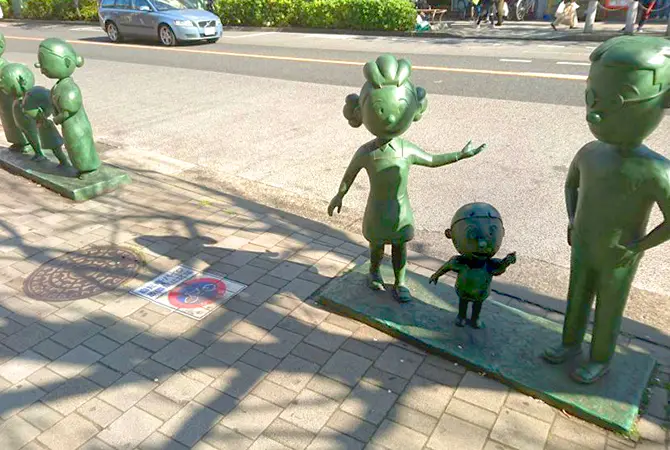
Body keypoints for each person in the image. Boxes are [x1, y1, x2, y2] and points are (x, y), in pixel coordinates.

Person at [543, 36, 670, 384]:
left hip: (619, 252)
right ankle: (569, 342)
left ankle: (600, 357)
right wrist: (572, 219)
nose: (595, 112)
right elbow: (571, 185)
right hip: (584, 242)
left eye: (618, 102)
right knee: (577, 295)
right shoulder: (589, 153)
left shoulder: (656, 170)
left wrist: (638, 247)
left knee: (610, 306)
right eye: (591, 98)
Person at [328, 55, 486, 303]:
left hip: (400, 210)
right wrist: (339, 195)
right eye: (381, 110)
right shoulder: (366, 152)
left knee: (400, 246)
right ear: (360, 113)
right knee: (376, 246)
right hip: (376, 210)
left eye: (399, 110)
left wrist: (459, 155)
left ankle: (400, 281)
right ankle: (374, 272)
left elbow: (432, 160)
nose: (391, 118)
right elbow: (350, 174)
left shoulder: (406, 149)